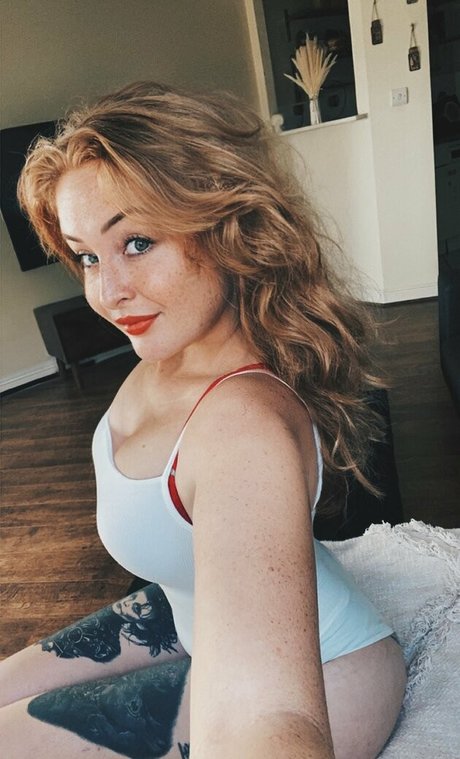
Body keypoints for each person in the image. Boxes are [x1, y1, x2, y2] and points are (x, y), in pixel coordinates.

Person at [0, 81, 406, 758]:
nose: (108, 291)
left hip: (336, 677)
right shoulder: (170, 349)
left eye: (137, 242)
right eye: (89, 255)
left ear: (226, 227)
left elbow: (271, 718)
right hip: (187, 614)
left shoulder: (241, 427)